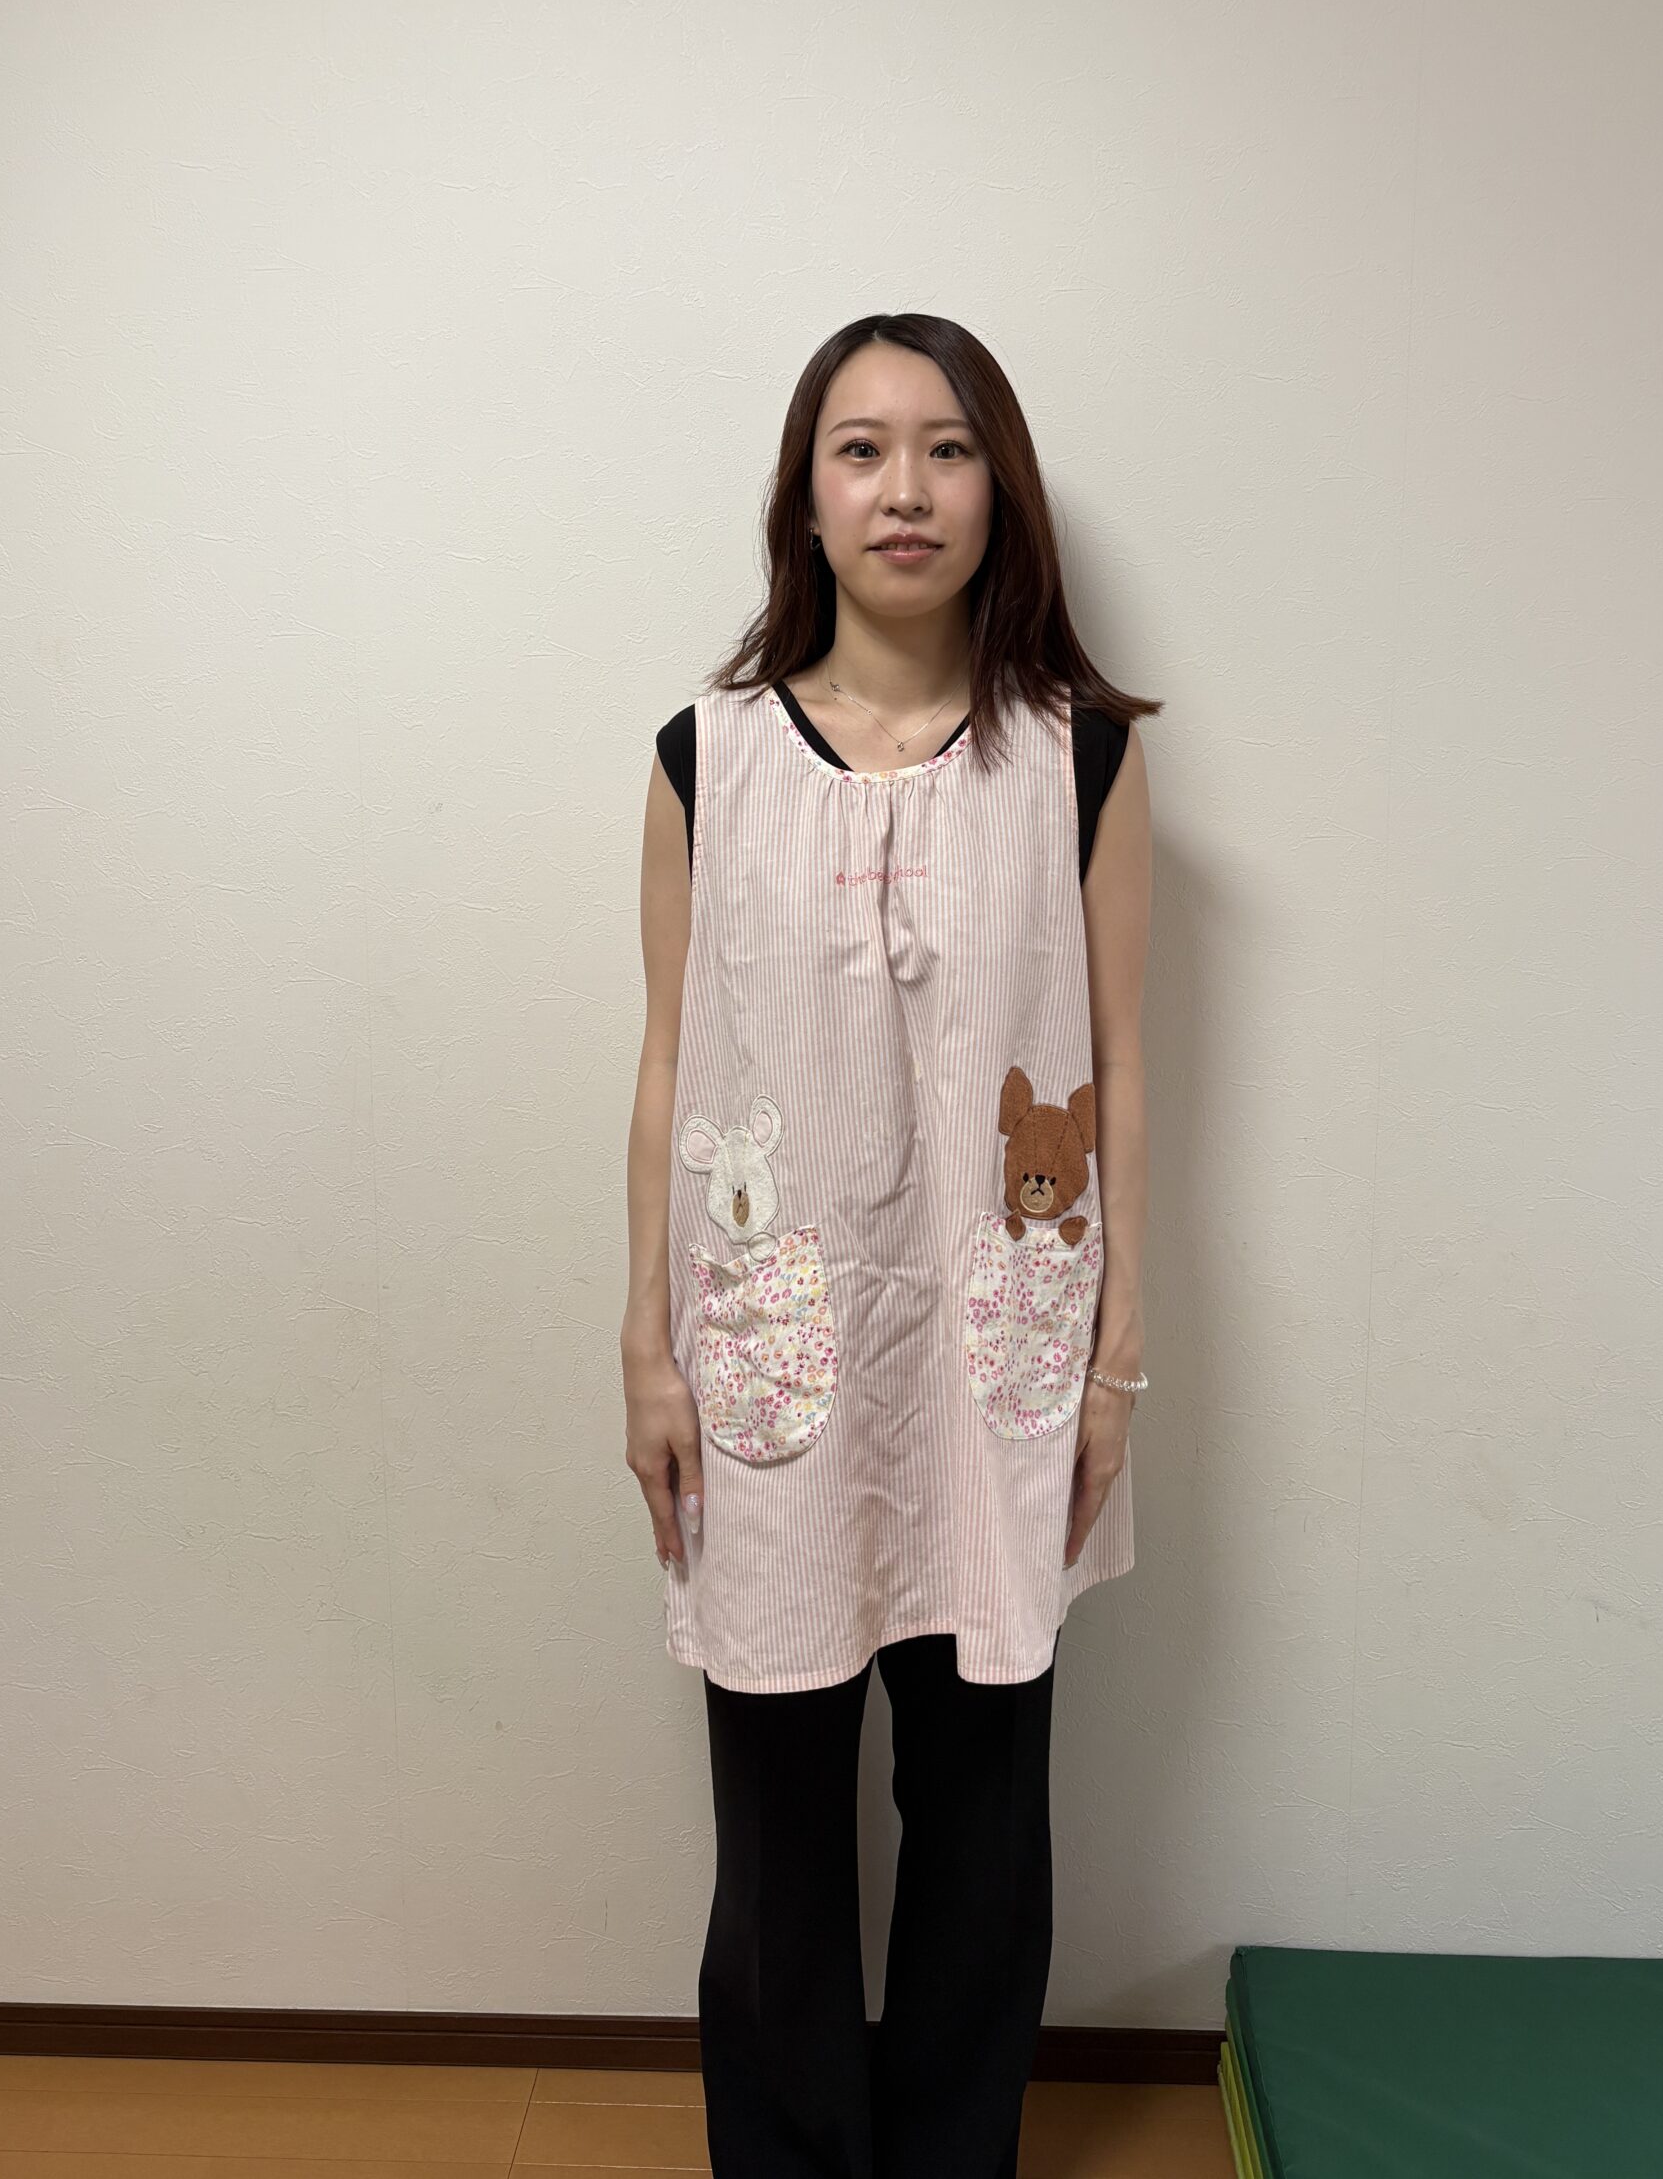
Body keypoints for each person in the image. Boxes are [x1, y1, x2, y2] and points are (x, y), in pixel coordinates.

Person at [620, 311, 1158, 2178]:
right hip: (772, 1334)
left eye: (946, 448)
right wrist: (644, 1346)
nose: (905, 489)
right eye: (860, 450)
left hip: (1005, 1341)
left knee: (983, 1816)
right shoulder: (706, 756)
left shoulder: (1081, 760)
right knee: (774, 1823)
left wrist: (1117, 1361)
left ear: (999, 490)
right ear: (807, 497)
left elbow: (1122, 1063)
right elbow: (671, 1061)